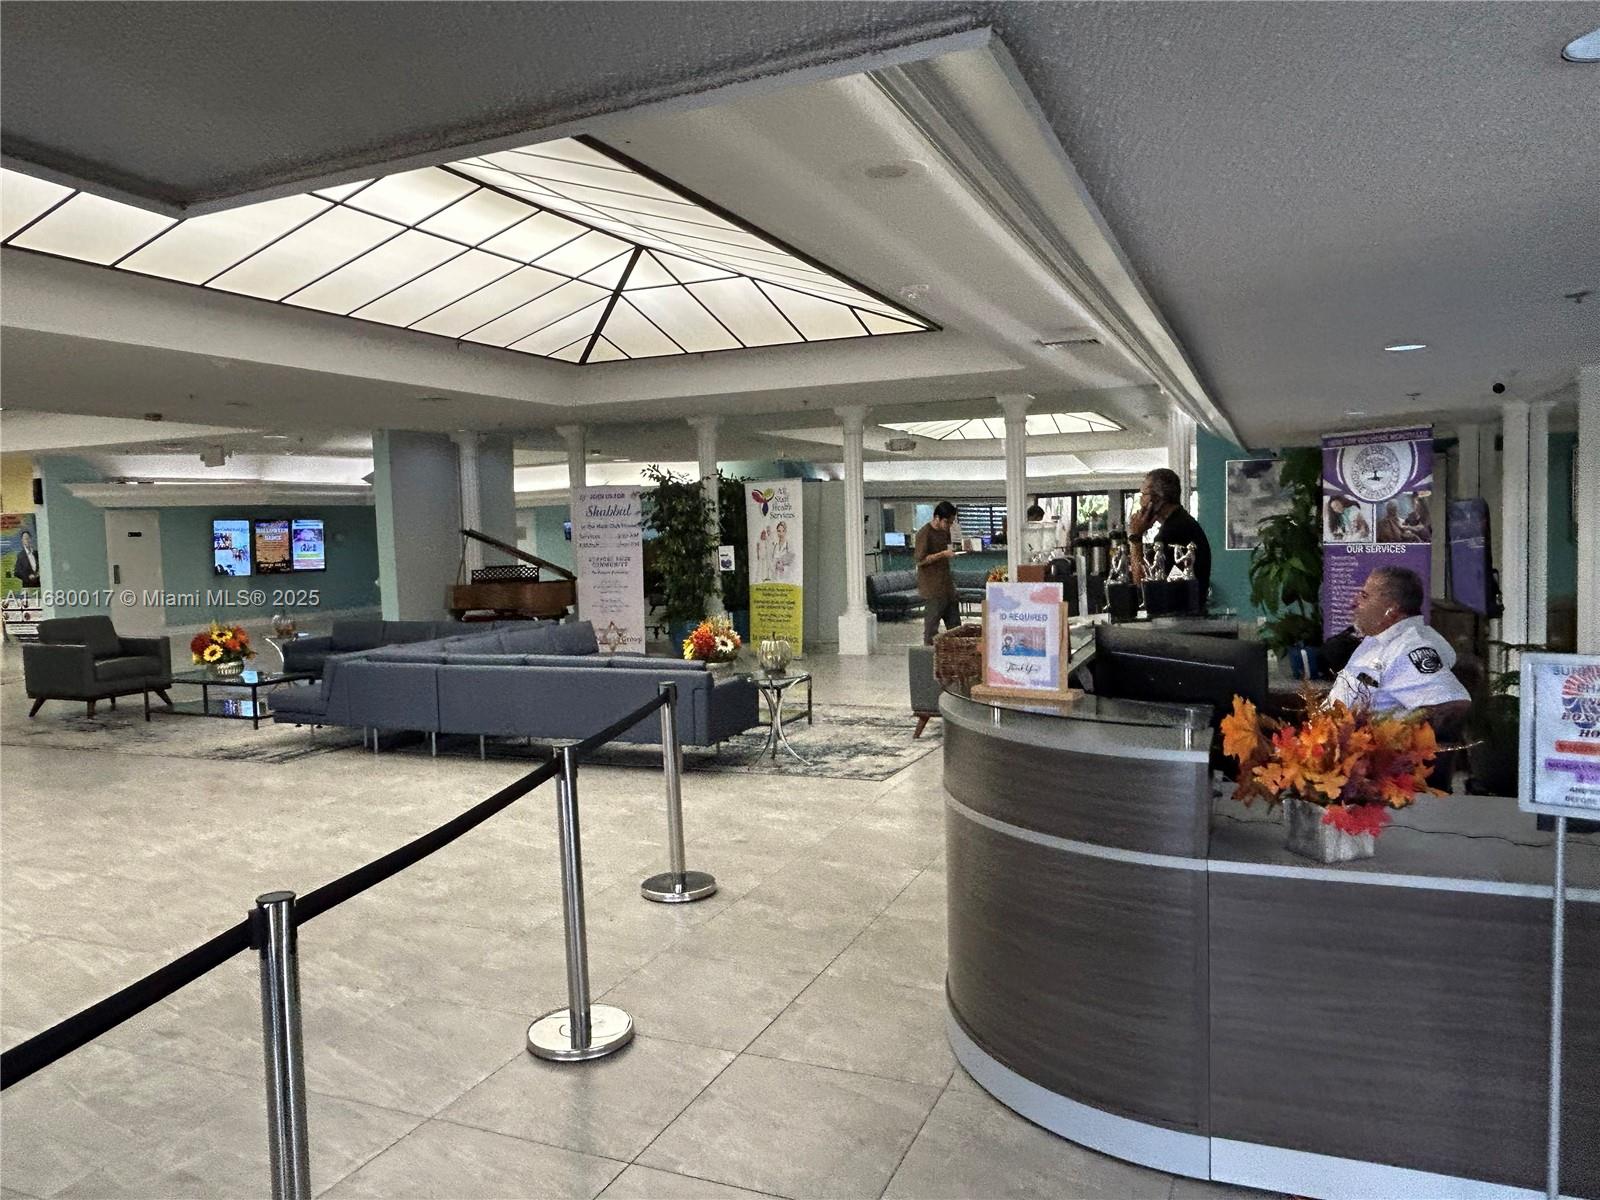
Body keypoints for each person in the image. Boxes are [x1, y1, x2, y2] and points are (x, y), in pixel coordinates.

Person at [1327, 566, 1470, 722]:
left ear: (1391, 609)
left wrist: (1381, 727)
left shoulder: (1410, 648)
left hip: (1359, 736)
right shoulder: (1379, 638)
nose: (1353, 602)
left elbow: (1453, 706)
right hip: (1325, 729)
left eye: (1364, 596)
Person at [1127, 468, 1211, 603]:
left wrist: (1135, 537)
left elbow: (1143, 586)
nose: (1140, 501)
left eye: (1143, 495)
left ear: (1157, 498)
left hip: (1177, 612)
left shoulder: (1171, 532)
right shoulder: (1185, 522)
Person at [914, 500, 962, 645]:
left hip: (947, 586)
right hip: (933, 589)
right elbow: (920, 560)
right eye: (947, 522)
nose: (949, 525)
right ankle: (929, 655)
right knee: (931, 628)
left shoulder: (945, 532)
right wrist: (942, 554)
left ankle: (957, 654)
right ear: (937, 518)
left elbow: (949, 548)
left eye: (952, 522)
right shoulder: (924, 533)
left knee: (956, 627)